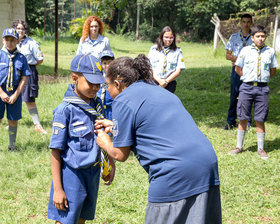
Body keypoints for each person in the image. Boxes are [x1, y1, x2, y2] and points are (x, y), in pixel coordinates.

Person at [95, 54, 221, 224]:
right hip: (206, 164)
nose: (107, 90)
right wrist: (117, 127)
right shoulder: (156, 89)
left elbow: (119, 154)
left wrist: (105, 142)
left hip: (175, 173)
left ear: (117, 84)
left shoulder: (123, 99)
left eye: (106, 85)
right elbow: (150, 122)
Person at [47, 54, 115, 224]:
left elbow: (104, 137)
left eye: (98, 83)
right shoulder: (65, 111)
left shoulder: (97, 106)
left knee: (82, 218)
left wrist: (111, 163)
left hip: (92, 174)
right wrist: (58, 189)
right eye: (91, 83)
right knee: (65, 220)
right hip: (72, 175)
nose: (95, 87)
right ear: (75, 78)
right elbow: (56, 151)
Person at [228, 26, 278, 159]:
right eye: (258, 36)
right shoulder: (245, 51)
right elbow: (238, 68)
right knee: (243, 117)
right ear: (252, 38)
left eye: (263, 36)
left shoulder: (270, 51)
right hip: (246, 88)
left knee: (260, 118)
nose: (261, 39)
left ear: (265, 37)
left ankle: (261, 149)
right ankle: (239, 146)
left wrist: (262, 79)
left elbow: (273, 70)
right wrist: (248, 78)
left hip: (262, 89)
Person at [12, 19, 47, 134]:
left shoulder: (32, 43)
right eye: (18, 28)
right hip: (13, 72)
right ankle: (12, 122)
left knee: (29, 99)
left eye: (22, 28)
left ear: (25, 30)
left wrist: (27, 66)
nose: (20, 31)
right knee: (13, 97)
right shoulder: (11, 41)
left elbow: (40, 59)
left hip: (28, 73)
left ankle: (37, 125)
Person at [0, 28, 31, 151]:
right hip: (0, 92)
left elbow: (24, 78)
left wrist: (16, 95)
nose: (10, 42)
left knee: (13, 120)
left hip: (14, 93)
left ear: (17, 41)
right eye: (7, 40)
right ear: (3, 40)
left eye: (13, 40)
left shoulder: (21, 58)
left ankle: (11, 145)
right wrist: (1, 93)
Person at [224, 14, 253, 130]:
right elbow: (227, 55)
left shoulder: (254, 37)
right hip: (236, 70)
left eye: (248, 22)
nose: (246, 24)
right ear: (240, 23)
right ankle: (231, 121)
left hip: (250, 70)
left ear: (251, 23)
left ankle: (248, 121)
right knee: (234, 95)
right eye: (244, 22)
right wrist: (239, 60)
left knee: (248, 95)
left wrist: (236, 59)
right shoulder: (234, 37)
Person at [148, 26, 185, 93]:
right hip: (154, 82)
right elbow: (149, 67)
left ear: (174, 38)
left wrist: (165, 82)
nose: (168, 40)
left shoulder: (177, 51)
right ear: (162, 37)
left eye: (171, 37)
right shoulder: (153, 49)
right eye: (166, 37)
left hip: (169, 84)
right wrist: (159, 80)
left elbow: (178, 70)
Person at [97, 50, 115, 120]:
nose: (107, 66)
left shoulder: (116, 77)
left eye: (110, 63)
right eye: (104, 63)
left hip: (112, 109)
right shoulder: (98, 77)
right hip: (100, 109)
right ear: (101, 64)